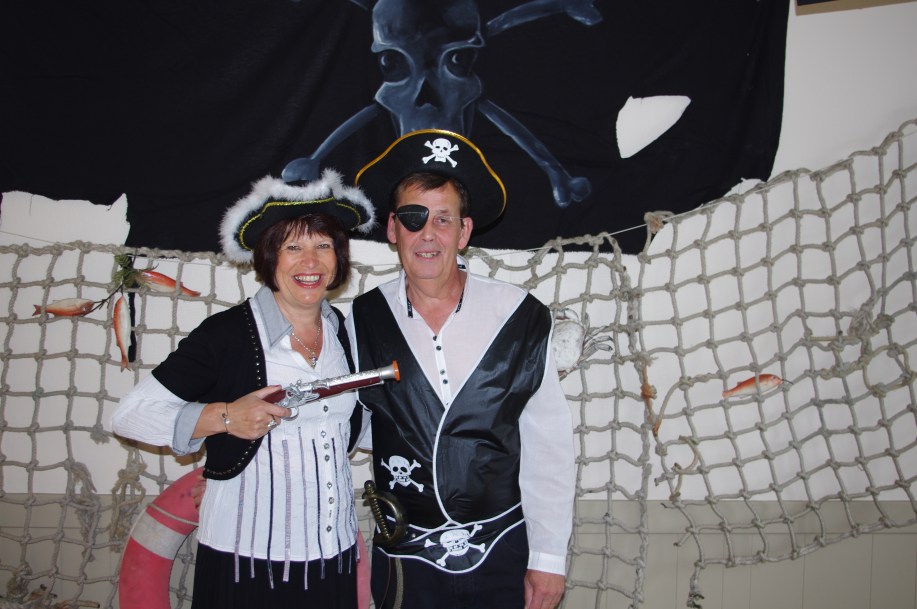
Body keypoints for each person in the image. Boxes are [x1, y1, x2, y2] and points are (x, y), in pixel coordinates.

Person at [111, 169, 376, 609]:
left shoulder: (344, 333)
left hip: (333, 553)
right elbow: (129, 416)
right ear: (269, 257)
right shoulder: (225, 335)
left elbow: (352, 424)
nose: (310, 262)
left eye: (323, 246)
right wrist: (225, 417)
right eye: (293, 247)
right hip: (246, 560)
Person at [348, 129, 575, 609]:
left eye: (443, 219)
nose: (428, 234)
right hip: (404, 558)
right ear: (392, 229)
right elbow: (345, 426)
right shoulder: (361, 319)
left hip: (503, 554)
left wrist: (549, 558)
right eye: (413, 219)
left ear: (464, 231)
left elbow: (549, 446)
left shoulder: (521, 317)